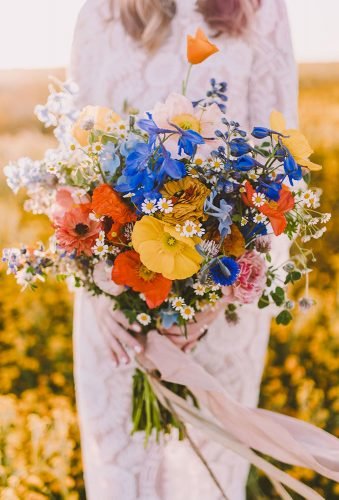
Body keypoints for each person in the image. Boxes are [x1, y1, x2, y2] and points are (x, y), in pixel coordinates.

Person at [70, 0, 297, 498]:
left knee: (208, 480)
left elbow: (276, 173)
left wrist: (207, 304)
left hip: (217, 311)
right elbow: (73, 165)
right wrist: (99, 291)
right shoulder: (100, 13)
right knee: (121, 479)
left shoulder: (261, 12)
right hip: (113, 315)